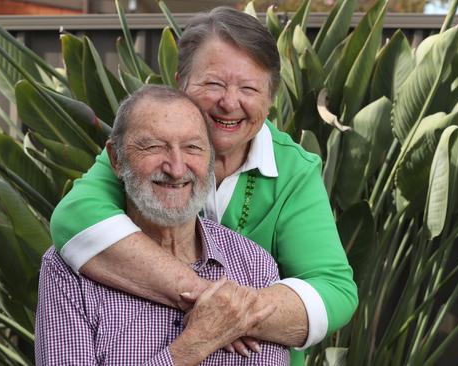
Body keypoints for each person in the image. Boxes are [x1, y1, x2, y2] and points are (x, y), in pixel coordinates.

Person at [50, 7, 358, 364]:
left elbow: (334, 290)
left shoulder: (294, 171)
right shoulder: (144, 152)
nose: (229, 102)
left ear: (270, 99)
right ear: (181, 83)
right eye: (213, 84)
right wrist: (211, 300)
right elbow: (74, 219)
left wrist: (236, 313)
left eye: (249, 88)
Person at [36, 85, 289, 365]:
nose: (177, 168)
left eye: (193, 148)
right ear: (116, 160)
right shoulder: (66, 271)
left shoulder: (254, 266)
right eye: (154, 146)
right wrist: (194, 345)